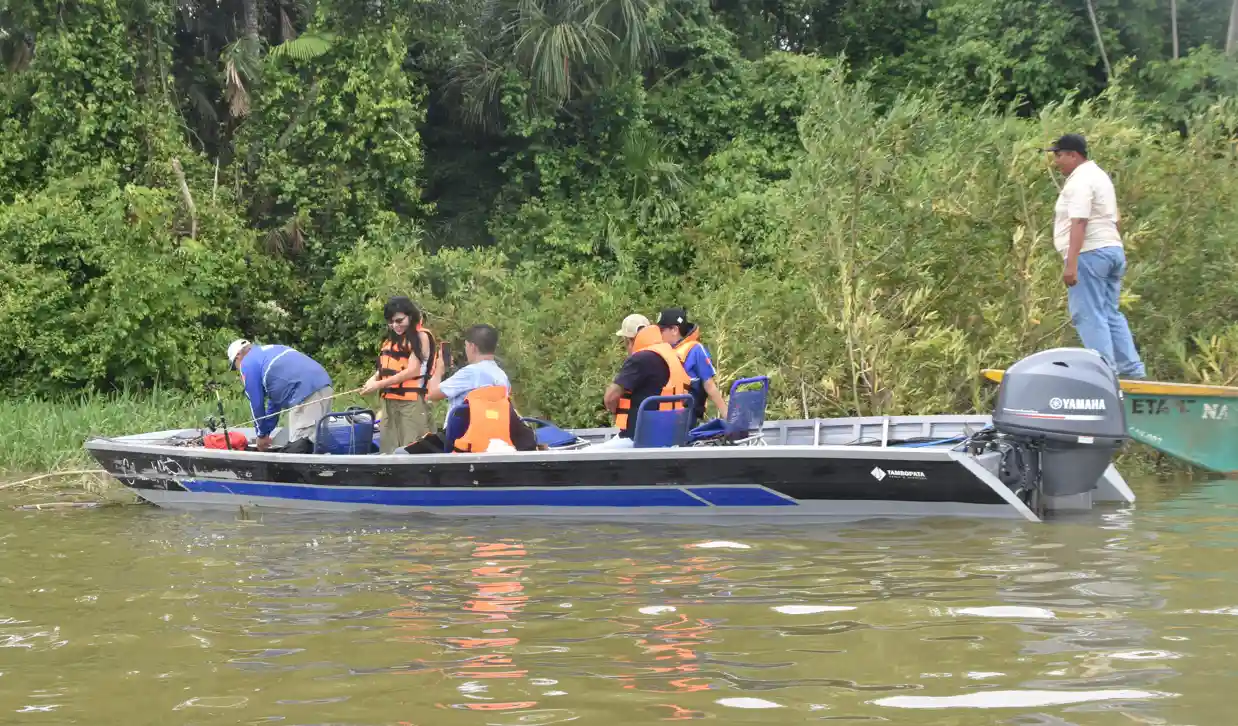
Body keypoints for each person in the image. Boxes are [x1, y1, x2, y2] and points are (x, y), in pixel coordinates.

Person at [1046, 133, 1146, 379]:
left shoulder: (1081, 180)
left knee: (1088, 313)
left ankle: (1104, 374)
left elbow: (1079, 220)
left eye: (1058, 156)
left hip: (1090, 253)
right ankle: (1132, 372)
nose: (1056, 161)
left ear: (1073, 155)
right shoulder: (1100, 176)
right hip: (1111, 249)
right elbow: (1117, 219)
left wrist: (1072, 263)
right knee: (1110, 312)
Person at [423, 324, 534, 452]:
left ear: (472, 347)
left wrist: (439, 369)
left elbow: (432, 394)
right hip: (495, 440)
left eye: (466, 346)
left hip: (460, 440)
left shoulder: (470, 373)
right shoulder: (502, 376)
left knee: (402, 453)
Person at [594, 314, 692, 450]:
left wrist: (614, 410)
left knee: (581, 456)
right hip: (670, 437)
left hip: (639, 439)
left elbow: (610, 398)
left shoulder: (639, 359)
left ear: (628, 340)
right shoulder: (671, 354)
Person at [227, 339, 334, 453]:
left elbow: (256, 403)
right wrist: (266, 432)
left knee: (301, 445)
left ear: (238, 356)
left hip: (305, 392)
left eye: (235, 367)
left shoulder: (247, 363)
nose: (238, 369)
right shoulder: (269, 352)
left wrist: (261, 435)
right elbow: (274, 404)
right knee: (315, 441)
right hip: (323, 384)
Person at [360, 297, 436, 453]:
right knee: (388, 448)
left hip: (412, 402)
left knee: (413, 447)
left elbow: (413, 370)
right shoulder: (393, 340)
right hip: (389, 401)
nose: (395, 325)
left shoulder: (421, 337)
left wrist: (378, 385)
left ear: (410, 316)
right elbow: (386, 367)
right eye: (391, 322)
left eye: (399, 320)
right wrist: (373, 379)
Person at [656, 307, 727, 425]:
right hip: (664, 413)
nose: (659, 334)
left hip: (686, 415)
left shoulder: (696, 350)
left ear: (674, 330)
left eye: (661, 330)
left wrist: (726, 414)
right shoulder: (662, 351)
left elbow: (709, 385)